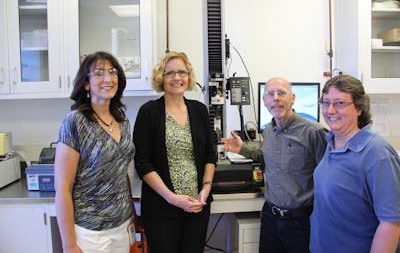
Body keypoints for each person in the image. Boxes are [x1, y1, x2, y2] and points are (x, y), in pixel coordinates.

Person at [221, 77, 328, 253]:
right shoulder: (269, 130)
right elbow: (269, 159)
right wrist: (243, 149)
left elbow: (330, 178)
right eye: (270, 94)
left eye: (281, 93)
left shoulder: (313, 132)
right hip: (271, 217)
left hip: (301, 221)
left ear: (292, 98)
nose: (275, 98)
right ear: (264, 101)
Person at [132, 51, 216, 253]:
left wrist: (205, 189)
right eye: (170, 73)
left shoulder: (199, 110)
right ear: (161, 77)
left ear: (189, 76)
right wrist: (172, 198)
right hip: (162, 208)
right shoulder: (149, 112)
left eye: (182, 72)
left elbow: (209, 154)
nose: (177, 78)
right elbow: (142, 163)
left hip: (197, 206)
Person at [54, 51, 135, 253]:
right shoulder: (75, 121)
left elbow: (120, 173)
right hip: (89, 231)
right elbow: (62, 188)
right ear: (86, 83)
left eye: (112, 71)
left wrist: (131, 217)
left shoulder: (123, 121)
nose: (108, 78)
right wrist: (69, 245)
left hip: (121, 226)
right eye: (99, 73)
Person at [310, 75, 400, 253]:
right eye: (326, 103)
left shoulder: (377, 153)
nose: (330, 110)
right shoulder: (332, 142)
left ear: (359, 108)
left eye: (340, 103)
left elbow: (391, 223)